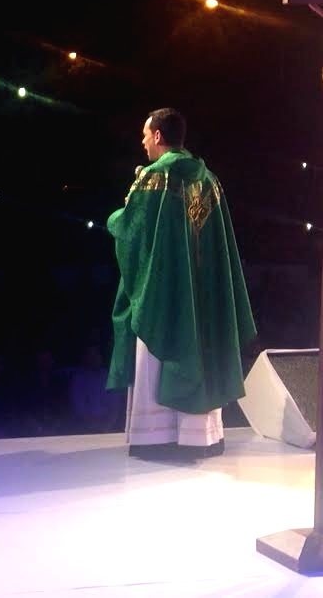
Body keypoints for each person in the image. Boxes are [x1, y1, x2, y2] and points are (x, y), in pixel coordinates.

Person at [105, 107, 256, 460]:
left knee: (158, 349)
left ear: (158, 135)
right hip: (204, 293)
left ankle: (156, 436)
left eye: (145, 134)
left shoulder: (153, 178)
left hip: (163, 294)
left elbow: (130, 230)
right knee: (201, 342)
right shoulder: (209, 180)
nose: (142, 142)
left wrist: (118, 214)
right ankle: (199, 437)